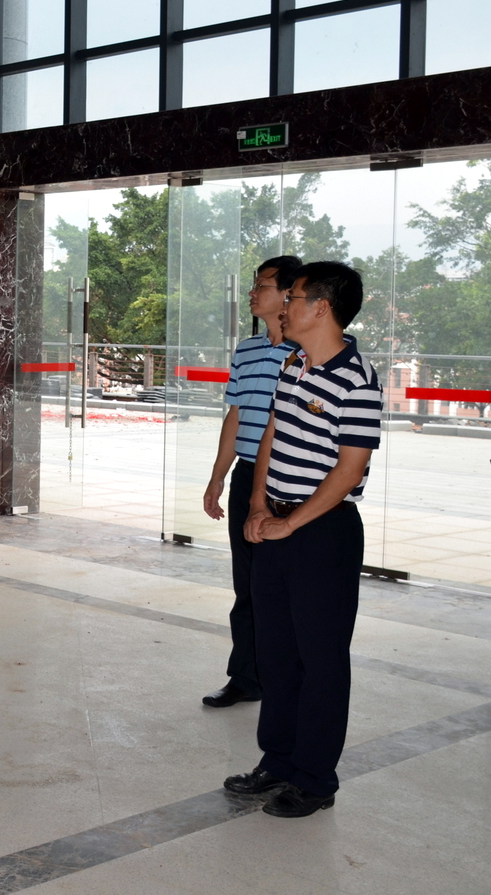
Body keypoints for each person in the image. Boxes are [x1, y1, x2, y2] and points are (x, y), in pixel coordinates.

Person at [223, 261, 381, 818]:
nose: (284, 307)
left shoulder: (357, 378)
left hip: (323, 534)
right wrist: (259, 503)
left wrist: (291, 523)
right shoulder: (294, 362)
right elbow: (271, 431)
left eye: (292, 298)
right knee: (277, 652)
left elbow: (349, 470)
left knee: (321, 660)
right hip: (276, 523)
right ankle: (279, 761)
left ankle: (314, 779)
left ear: (322, 308)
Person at [198, 255, 301, 705]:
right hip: (246, 476)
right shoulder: (248, 350)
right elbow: (235, 415)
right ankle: (246, 677)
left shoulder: (306, 354)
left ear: (289, 294)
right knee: (248, 584)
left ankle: (286, 678)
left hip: (289, 482)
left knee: (285, 587)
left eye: (262, 285)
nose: (252, 293)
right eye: (254, 285)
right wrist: (217, 478)